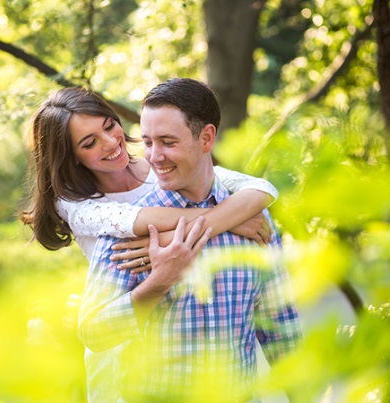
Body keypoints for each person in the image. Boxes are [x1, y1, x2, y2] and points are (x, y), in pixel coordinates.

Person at [20, 87, 280, 402]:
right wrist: (230, 219)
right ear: (70, 156)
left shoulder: (158, 165)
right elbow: (136, 226)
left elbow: (259, 189)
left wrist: (224, 216)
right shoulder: (79, 206)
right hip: (124, 342)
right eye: (89, 143)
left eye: (109, 126)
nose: (110, 143)